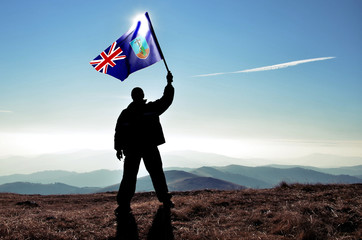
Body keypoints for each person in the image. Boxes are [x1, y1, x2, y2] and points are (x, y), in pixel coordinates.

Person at [114, 72, 175, 215]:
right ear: (138, 96)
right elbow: (119, 132)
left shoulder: (131, 112)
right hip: (142, 148)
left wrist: (169, 84)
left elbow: (166, 100)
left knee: (145, 175)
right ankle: (163, 199)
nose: (138, 96)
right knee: (146, 175)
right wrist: (118, 148)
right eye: (137, 94)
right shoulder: (140, 111)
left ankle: (125, 204)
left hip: (139, 148)